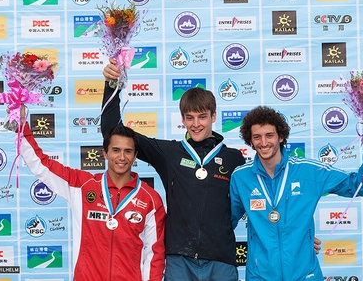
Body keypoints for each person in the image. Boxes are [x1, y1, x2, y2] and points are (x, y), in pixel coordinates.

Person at [102, 62, 321, 280]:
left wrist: (299, 239)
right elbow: (112, 132)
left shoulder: (234, 158)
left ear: (213, 116)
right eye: (190, 118)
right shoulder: (169, 153)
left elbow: (271, 196)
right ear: (182, 119)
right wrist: (112, 84)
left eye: (202, 117)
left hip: (221, 260)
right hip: (179, 259)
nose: (196, 124)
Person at [229, 105, 363, 281]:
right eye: (257, 137)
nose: (263, 142)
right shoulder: (241, 177)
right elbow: (226, 224)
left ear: (281, 137)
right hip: (260, 275)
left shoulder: (309, 171)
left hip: (305, 275)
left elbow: (357, 185)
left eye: (269, 135)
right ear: (250, 140)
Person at [12, 105, 166, 281]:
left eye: (128, 151)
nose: (122, 157)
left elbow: (154, 253)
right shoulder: (82, 185)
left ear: (135, 155)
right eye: (115, 150)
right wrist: (21, 126)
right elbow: (42, 165)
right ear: (105, 153)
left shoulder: (150, 199)